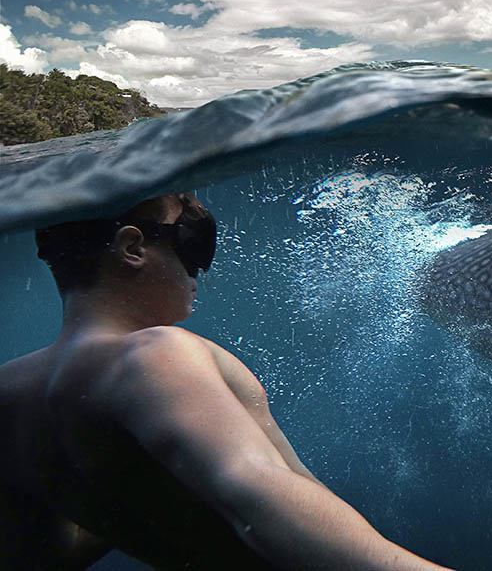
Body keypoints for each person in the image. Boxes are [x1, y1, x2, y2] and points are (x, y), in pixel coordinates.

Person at [0, 192, 452, 570]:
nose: (200, 267)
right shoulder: (155, 353)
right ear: (132, 247)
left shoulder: (11, 391)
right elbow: (262, 493)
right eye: (192, 238)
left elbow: (41, 556)